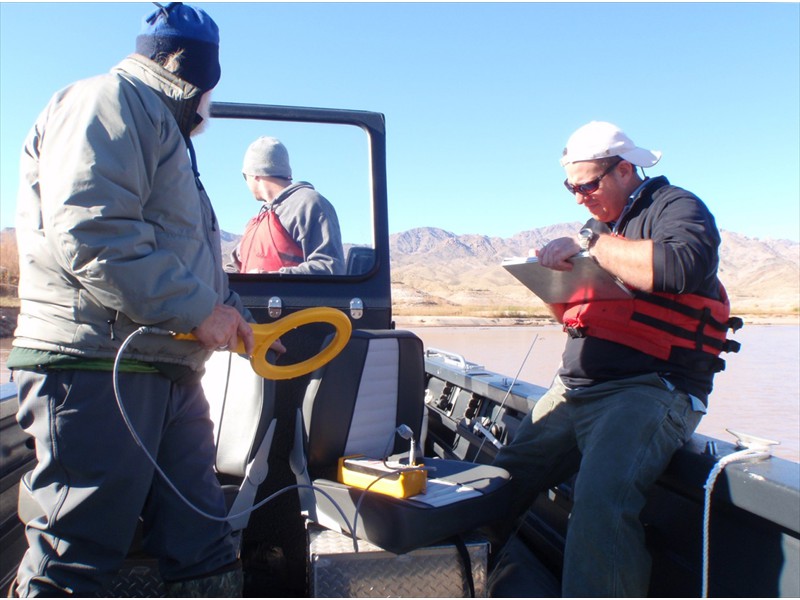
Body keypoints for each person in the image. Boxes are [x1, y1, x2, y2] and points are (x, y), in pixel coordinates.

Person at [8, 3, 284, 596]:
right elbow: (94, 234)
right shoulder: (107, 102)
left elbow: (185, 254)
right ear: (197, 70)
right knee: (75, 555)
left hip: (165, 368)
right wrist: (199, 311)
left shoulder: (165, 130)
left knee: (204, 541)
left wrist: (230, 312)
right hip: (93, 365)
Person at [491, 121, 741, 597]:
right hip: (575, 390)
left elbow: (680, 267)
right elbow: (576, 313)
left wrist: (588, 245)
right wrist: (552, 279)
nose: (578, 197)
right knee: (503, 480)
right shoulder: (605, 228)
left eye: (587, 184)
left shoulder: (677, 207)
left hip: (651, 389)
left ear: (625, 170)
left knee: (601, 501)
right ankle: (466, 573)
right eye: (571, 187)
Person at [231, 136, 346, 275]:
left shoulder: (308, 204)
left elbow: (330, 267)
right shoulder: (256, 222)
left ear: (255, 174)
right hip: (251, 297)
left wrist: (270, 278)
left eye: (245, 177)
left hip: (289, 297)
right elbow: (235, 266)